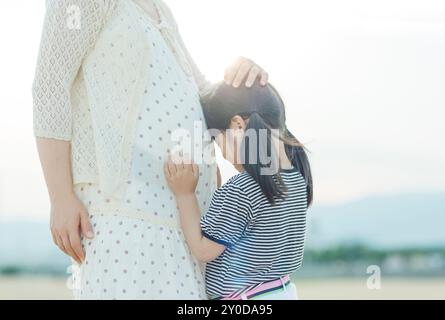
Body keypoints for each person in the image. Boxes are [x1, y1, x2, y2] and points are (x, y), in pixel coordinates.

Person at [32, 0, 269, 299]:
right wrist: (60, 196)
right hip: (126, 217)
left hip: (188, 227)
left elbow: (203, 95)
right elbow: (50, 86)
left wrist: (241, 80)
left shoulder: (160, 9)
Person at [164, 81, 313, 300]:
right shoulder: (297, 181)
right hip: (284, 291)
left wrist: (185, 194)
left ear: (237, 126)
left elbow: (203, 249)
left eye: (217, 141)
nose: (221, 153)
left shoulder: (242, 189)